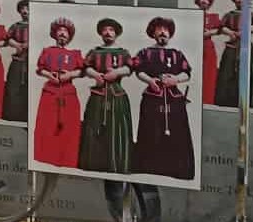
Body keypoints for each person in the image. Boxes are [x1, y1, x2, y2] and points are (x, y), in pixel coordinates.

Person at [131, 17, 195, 179]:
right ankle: (149, 169)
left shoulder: (177, 54)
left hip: (174, 98)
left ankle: (176, 169)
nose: (162, 32)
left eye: (166, 29)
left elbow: (186, 73)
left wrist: (175, 80)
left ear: (170, 33)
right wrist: (150, 81)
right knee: (151, 130)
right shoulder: (145, 52)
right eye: (159, 29)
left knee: (177, 132)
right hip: (152, 97)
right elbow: (139, 70)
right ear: (153, 33)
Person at [77, 18, 134, 174]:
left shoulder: (123, 52)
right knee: (94, 126)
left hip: (117, 95)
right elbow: (86, 67)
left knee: (118, 128)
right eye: (105, 30)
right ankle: (94, 164)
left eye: (111, 30)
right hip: (98, 94)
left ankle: (117, 165)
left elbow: (130, 68)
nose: (108, 33)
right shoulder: (95, 52)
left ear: (116, 33)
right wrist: (96, 75)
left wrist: (116, 73)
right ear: (101, 33)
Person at [32, 18, 84, 167]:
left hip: (68, 92)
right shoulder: (47, 51)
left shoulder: (75, 53)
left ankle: (67, 161)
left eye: (65, 31)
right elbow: (40, 68)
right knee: (47, 125)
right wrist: (49, 75)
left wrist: (70, 75)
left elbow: (82, 70)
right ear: (54, 34)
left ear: (70, 36)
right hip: (50, 91)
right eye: (59, 30)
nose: (62, 33)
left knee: (69, 127)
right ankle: (45, 160)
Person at [213, 0, 253, 107]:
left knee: (247, 72)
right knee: (227, 72)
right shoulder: (229, 15)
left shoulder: (252, 14)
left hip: (246, 46)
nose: (240, 1)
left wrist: (245, 31)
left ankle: (246, 100)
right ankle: (227, 100)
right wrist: (231, 33)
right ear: (234, 1)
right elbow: (222, 27)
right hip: (231, 46)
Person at [0, 0, 32, 123]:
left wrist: (29, 44)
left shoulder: (36, 25)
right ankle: (12, 115)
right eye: (22, 9)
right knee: (13, 86)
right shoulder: (15, 26)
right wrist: (17, 45)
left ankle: (26, 117)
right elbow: (7, 38)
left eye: (27, 8)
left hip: (31, 62)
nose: (25, 11)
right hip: (18, 60)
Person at [193, 0, 221, 105]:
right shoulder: (192, 15)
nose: (204, 1)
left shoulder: (213, 16)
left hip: (208, 46)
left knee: (209, 74)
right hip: (195, 46)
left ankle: (208, 100)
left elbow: (220, 29)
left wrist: (209, 32)